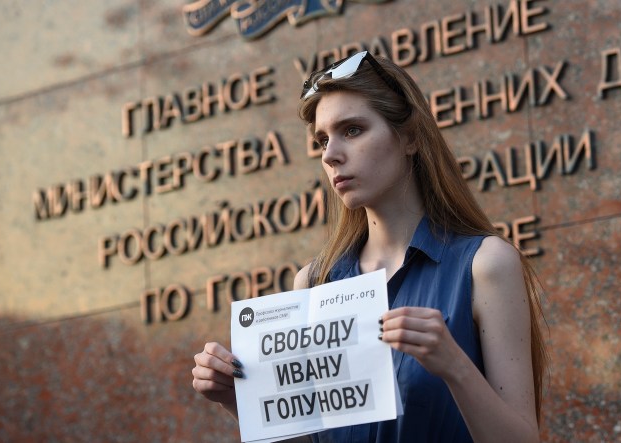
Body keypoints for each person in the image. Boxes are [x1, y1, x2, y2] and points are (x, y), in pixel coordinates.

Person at [192, 51, 548, 442]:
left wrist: (454, 366)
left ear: (410, 137)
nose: (330, 155)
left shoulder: (485, 264)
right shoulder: (313, 282)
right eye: (322, 140)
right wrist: (239, 400)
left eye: (353, 130)